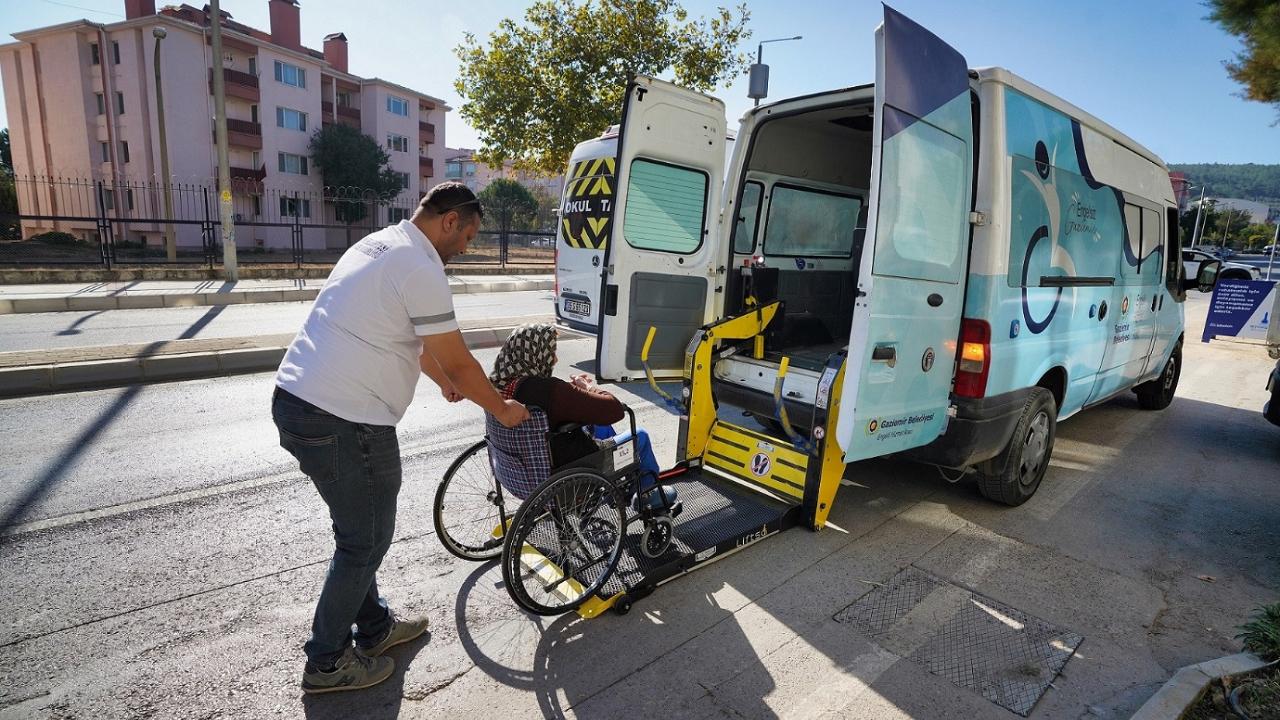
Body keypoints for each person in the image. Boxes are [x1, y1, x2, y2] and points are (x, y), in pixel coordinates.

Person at [272, 182, 530, 695]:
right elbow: (457, 357)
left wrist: (442, 382)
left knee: (357, 532)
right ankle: (325, 662)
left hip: (300, 403)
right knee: (364, 541)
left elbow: (411, 342)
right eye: (469, 235)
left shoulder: (381, 243)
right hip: (346, 418)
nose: (467, 247)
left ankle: (374, 629)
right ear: (449, 221)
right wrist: (501, 408)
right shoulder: (420, 266)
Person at [487, 323, 676, 511]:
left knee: (599, 425)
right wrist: (586, 389)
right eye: (550, 352)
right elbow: (614, 410)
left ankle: (615, 486)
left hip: (522, 476)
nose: (555, 359)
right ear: (536, 353)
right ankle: (649, 496)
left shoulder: (496, 389)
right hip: (568, 474)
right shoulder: (548, 391)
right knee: (640, 436)